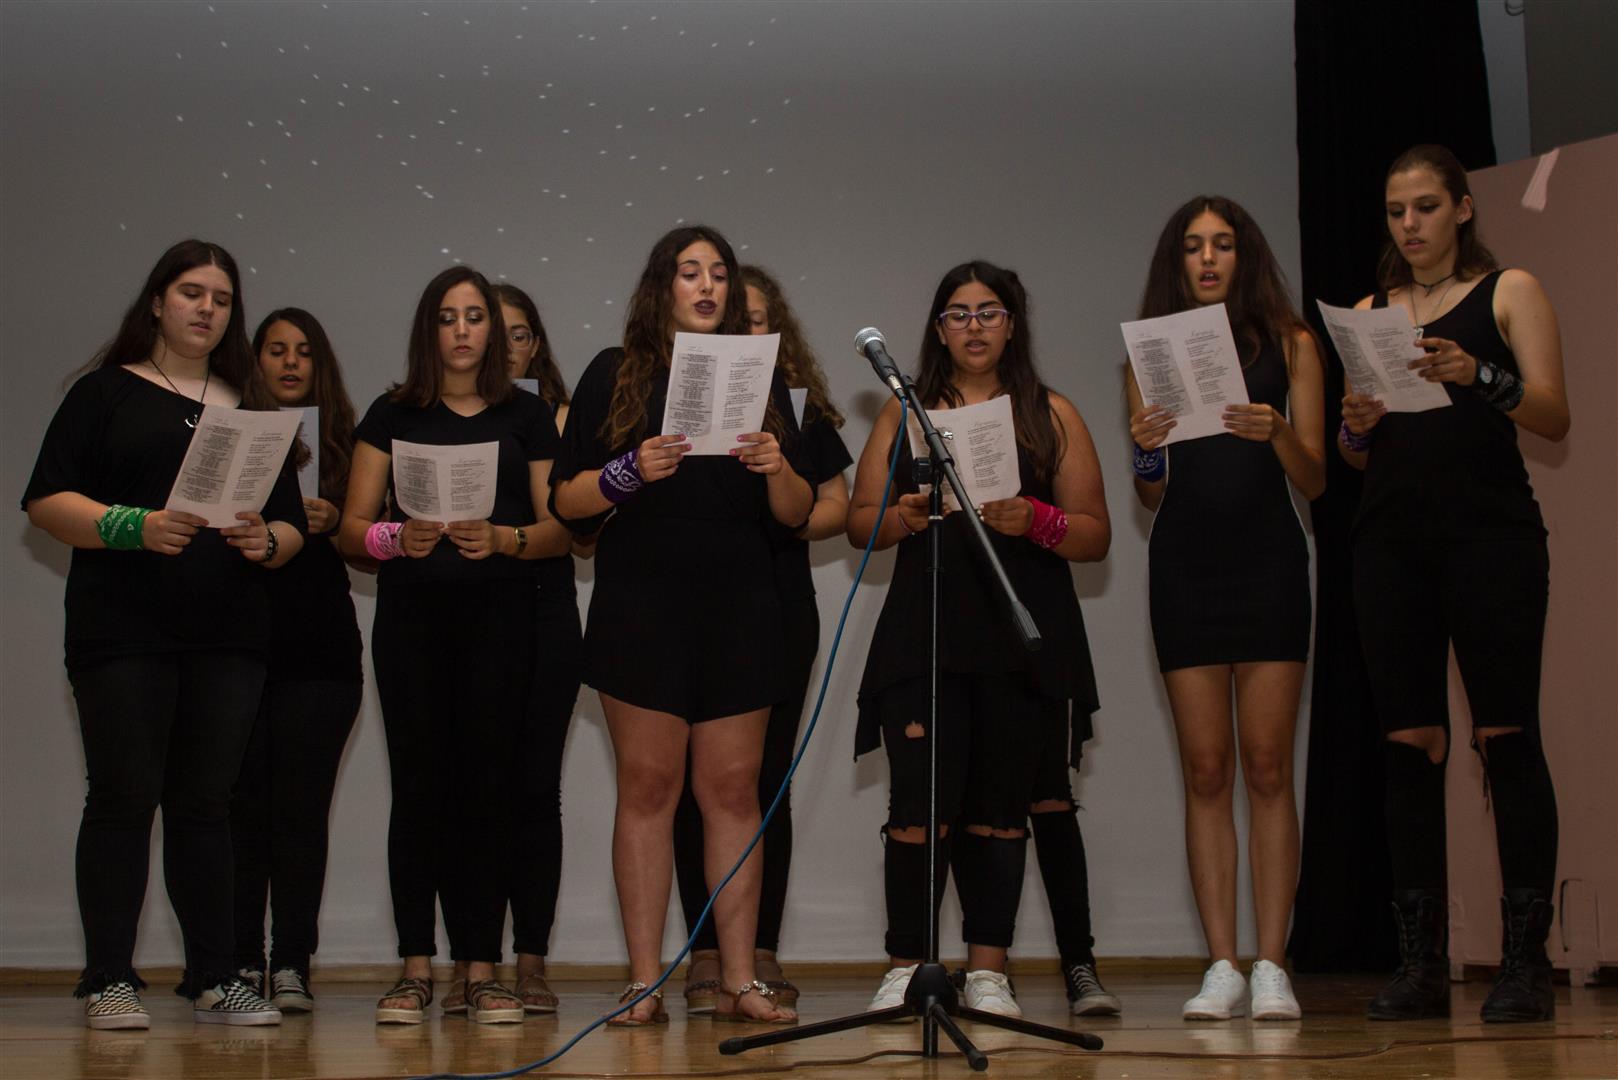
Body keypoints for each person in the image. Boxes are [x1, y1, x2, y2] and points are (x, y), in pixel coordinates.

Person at [22, 239, 307, 1028]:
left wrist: (267, 541)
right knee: (122, 798)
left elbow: (289, 526)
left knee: (206, 806)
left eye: (221, 298)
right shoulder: (103, 394)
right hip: (123, 633)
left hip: (229, 636)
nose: (206, 308)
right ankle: (108, 978)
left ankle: (215, 975)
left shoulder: (249, 408)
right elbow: (45, 504)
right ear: (156, 301)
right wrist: (132, 526)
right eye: (191, 292)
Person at [551, 225, 811, 1025]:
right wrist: (629, 471)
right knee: (649, 788)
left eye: (718, 273)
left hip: (741, 604)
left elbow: (797, 514)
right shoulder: (614, 371)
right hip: (643, 604)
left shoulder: (758, 375)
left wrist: (776, 467)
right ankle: (643, 980)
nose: (706, 285)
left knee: (733, 791)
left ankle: (739, 978)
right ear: (661, 285)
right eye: (690, 272)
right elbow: (566, 502)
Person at [1340, 145, 1569, 1024]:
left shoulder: (1510, 291)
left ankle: (1526, 964)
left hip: (1491, 539)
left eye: (1427, 207)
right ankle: (1421, 966)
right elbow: (1358, 454)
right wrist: (1357, 426)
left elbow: (1553, 414)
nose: (1410, 225)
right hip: (1390, 545)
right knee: (1409, 743)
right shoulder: (1371, 312)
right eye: (1397, 211)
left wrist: (1481, 375)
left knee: (1506, 736)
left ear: (1463, 208)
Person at [849, 261, 1109, 1019]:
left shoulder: (1050, 412)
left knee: (1000, 804)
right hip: (925, 629)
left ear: (1012, 324)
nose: (974, 326)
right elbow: (860, 523)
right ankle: (905, 964)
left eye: (989, 312)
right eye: (958, 314)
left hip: (1018, 633)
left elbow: (1095, 535)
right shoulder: (904, 411)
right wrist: (902, 515)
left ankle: (989, 971)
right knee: (918, 804)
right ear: (938, 329)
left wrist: (1038, 520)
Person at [339, 266, 572, 1025]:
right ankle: (415, 968)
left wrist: (505, 538)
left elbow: (561, 530)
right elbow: (351, 531)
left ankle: (480, 968)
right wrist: (394, 537)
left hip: (503, 620)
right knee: (418, 790)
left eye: (475, 316)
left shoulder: (526, 414)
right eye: (448, 317)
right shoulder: (391, 412)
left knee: (488, 791)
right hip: (412, 621)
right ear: (428, 330)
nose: (464, 330)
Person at [1125, 196, 1325, 1021]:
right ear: (1175, 261)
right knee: (1206, 771)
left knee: (1269, 766)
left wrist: (1275, 430)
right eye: (1193, 246)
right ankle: (1222, 964)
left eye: (1223, 244)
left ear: (1246, 255)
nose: (1208, 259)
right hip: (1185, 568)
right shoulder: (1150, 349)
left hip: (1270, 563)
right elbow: (1150, 492)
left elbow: (1315, 478)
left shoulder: (1292, 341)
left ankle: (1272, 962)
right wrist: (1144, 450)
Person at [670, 266, 852, 1013]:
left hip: (779, 607)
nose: (742, 329)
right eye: (733, 318)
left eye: (755, 319)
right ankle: (705, 952)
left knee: (761, 785)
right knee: (691, 788)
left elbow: (838, 505)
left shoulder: (798, 409)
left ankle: (760, 946)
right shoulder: (672, 402)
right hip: (693, 608)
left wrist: (793, 510)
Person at [229, 308, 364, 1013]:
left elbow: (380, 539)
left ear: (320, 364)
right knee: (241, 811)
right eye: (275, 350)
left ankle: (291, 964)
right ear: (253, 361)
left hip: (321, 647)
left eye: (303, 351)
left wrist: (337, 522)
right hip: (239, 644)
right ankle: (239, 961)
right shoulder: (227, 434)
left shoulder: (345, 442)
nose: (288, 362)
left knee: (301, 813)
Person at [481, 281, 584, 1013]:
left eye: (519, 335)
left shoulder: (564, 417)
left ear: (536, 344)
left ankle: (532, 961)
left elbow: (576, 527)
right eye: (495, 334)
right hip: (470, 614)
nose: (506, 348)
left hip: (546, 612)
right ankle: (477, 963)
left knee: (537, 790)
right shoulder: (448, 414)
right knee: (478, 790)